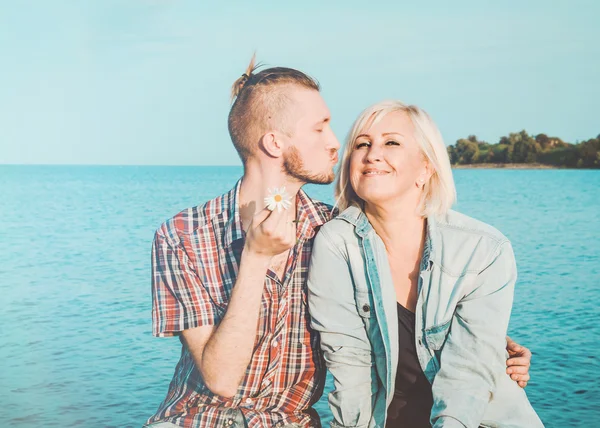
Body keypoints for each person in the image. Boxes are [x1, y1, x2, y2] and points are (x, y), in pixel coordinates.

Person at [145, 58, 533, 428]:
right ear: (275, 143)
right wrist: (255, 258)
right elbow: (222, 380)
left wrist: (493, 348)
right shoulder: (182, 235)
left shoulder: (333, 232)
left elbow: (423, 312)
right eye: (320, 129)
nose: (337, 144)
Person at [307, 100, 544, 427]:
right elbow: (350, 366)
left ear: (426, 167)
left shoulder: (483, 249)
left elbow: (468, 373)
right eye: (362, 144)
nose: (372, 153)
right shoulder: (337, 244)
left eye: (391, 142)